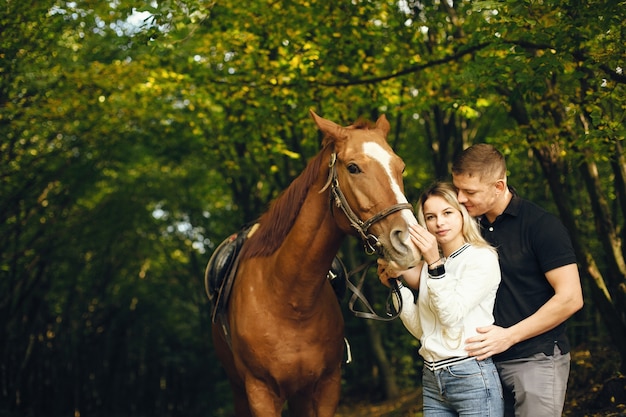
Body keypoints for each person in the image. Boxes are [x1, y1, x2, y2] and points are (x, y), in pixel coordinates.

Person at [451, 143, 584, 417]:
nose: (460, 198)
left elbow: (571, 298)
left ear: (499, 187)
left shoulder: (541, 225)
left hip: (536, 359)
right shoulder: (465, 228)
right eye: (457, 189)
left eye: (470, 192)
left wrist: (509, 336)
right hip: (482, 365)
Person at [378, 182, 504, 417]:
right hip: (433, 378)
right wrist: (397, 287)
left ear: (462, 214)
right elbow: (421, 329)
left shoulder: (481, 258)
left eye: (447, 213)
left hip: (471, 375)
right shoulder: (432, 266)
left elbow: (450, 316)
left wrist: (434, 263)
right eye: (430, 217)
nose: (439, 223)